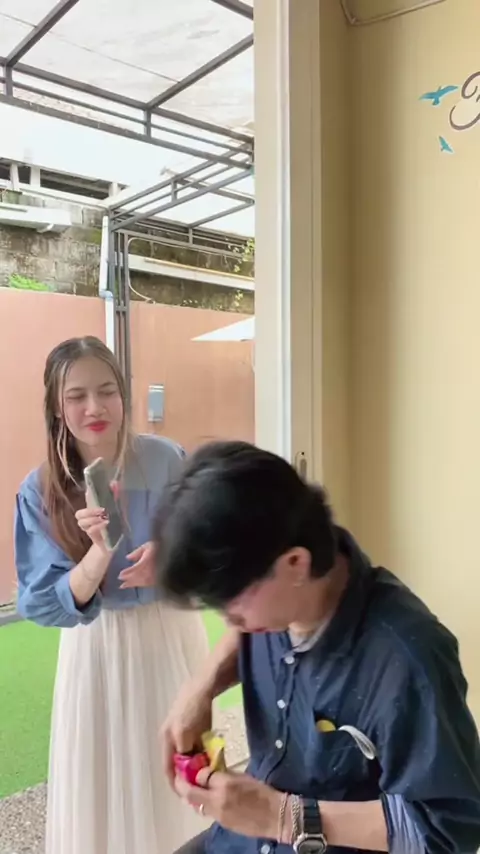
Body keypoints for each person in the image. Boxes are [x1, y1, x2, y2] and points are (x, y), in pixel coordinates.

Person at [153, 440, 480, 854]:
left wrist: (280, 816)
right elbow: (244, 630)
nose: (230, 622)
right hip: (239, 843)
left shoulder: (406, 659)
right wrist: (201, 687)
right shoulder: (276, 601)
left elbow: (448, 831)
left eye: (232, 604)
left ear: (295, 563)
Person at [15, 335, 209, 854]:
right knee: (103, 784)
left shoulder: (166, 459)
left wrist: (169, 558)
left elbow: (210, 543)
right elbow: (42, 601)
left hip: (170, 635)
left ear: (124, 395)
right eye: (76, 396)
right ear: (57, 408)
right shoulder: (41, 490)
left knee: (179, 775)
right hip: (96, 650)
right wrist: (98, 554)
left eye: (106, 391)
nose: (94, 408)